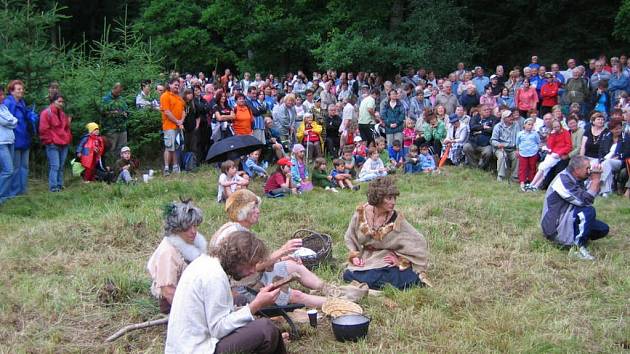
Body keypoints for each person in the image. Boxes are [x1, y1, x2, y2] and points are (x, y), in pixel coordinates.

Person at [165, 230, 287, 354]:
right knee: (266, 330)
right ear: (236, 259)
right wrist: (256, 305)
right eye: (250, 265)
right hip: (197, 349)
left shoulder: (206, 262)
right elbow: (218, 329)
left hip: (183, 345)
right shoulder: (214, 276)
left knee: (241, 301)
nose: (253, 271)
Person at [210, 189, 328, 308]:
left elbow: (254, 264)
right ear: (242, 212)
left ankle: (330, 290)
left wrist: (284, 257)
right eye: (253, 208)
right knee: (297, 295)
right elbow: (251, 269)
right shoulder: (234, 236)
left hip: (253, 277)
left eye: (257, 207)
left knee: (294, 265)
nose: (258, 211)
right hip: (242, 288)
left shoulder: (235, 228)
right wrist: (283, 250)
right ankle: (337, 304)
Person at [343, 177, 430, 289]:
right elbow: (350, 236)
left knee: (406, 279)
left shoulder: (396, 220)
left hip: (385, 259)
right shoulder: (361, 213)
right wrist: (354, 256)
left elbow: (418, 241)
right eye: (389, 198)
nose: (393, 202)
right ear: (378, 198)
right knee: (349, 275)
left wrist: (401, 260)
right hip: (367, 258)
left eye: (394, 198)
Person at [541, 156, 609, 261]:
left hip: (568, 216)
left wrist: (594, 180)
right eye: (587, 168)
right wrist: (595, 180)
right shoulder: (563, 180)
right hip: (555, 226)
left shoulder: (578, 178)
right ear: (577, 170)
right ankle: (576, 248)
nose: (590, 171)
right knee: (589, 211)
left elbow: (590, 194)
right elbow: (585, 201)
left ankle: (576, 238)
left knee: (602, 229)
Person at [147, 199, 207, 314]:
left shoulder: (192, 242)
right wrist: (191, 313)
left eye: (195, 226)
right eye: (187, 228)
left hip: (191, 293)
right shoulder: (168, 253)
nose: (193, 231)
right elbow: (168, 291)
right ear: (176, 228)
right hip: (174, 303)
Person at [4, 80, 36, 197]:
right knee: (15, 168)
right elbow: (7, 121)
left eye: (22, 89)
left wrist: (30, 116)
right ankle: (14, 192)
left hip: (25, 138)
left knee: (25, 166)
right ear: (12, 91)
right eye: (18, 89)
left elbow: (25, 117)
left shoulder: (22, 102)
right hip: (15, 140)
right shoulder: (8, 103)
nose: (21, 91)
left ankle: (22, 191)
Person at [39, 94, 72, 192]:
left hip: (64, 143)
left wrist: (68, 138)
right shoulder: (46, 113)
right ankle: (53, 187)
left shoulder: (62, 114)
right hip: (53, 144)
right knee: (55, 166)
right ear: (53, 102)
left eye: (62, 102)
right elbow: (43, 129)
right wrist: (50, 141)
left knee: (61, 166)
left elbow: (66, 128)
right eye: (59, 101)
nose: (61, 104)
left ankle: (60, 185)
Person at [529, 119, 572, 191]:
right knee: (545, 169)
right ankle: (535, 186)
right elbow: (549, 145)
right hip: (551, 153)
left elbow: (568, 146)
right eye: (555, 127)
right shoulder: (553, 134)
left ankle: (531, 184)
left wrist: (559, 153)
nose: (557, 128)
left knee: (542, 167)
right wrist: (552, 135)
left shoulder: (565, 132)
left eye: (558, 126)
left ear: (560, 125)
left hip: (558, 155)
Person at [160, 78, 185, 176]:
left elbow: (183, 111)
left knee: (176, 147)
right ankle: (166, 168)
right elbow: (167, 112)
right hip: (169, 126)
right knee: (169, 147)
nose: (177, 86)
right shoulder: (165, 96)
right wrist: (177, 121)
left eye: (178, 85)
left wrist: (181, 121)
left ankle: (175, 167)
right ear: (169, 85)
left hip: (178, 126)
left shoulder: (179, 97)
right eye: (175, 84)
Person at [101, 83, 129, 159]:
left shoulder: (121, 99)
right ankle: (110, 167)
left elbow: (126, 109)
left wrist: (125, 113)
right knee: (111, 149)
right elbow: (102, 112)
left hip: (122, 128)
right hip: (111, 128)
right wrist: (112, 113)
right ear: (114, 89)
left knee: (123, 149)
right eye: (118, 91)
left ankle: (121, 166)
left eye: (120, 92)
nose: (119, 93)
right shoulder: (105, 99)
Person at [491, 110, 520, 182]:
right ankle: (500, 176)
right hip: (500, 148)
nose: (511, 118)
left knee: (517, 156)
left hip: (512, 148)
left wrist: (517, 149)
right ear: (504, 118)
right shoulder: (498, 126)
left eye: (511, 116)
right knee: (502, 156)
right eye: (509, 117)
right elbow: (493, 140)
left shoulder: (516, 125)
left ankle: (514, 176)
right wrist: (498, 144)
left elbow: (519, 138)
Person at [0, 85, 17, 204]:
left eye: (2, 94)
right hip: (1, 143)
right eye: (0, 95)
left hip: (10, 141)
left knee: (7, 170)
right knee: (8, 170)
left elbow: (14, 121)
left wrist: (10, 122)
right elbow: (5, 122)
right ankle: (1, 196)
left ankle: (4, 198)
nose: (2, 97)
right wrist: (10, 122)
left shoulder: (4, 107)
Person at [599, 120, 624, 197]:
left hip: (620, 161)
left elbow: (627, 152)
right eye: (616, 129)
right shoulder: (606, 137)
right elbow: (600, 151)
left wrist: (619, 156)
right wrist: (600, 160)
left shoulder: (625, 138)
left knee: (607, 163)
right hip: (606, 161)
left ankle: (600, 181)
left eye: (620, 128)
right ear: (611, 130)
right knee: (605, 164)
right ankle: (606, 192)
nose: (618, 130)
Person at [516, 118, 540, 192]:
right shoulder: (520, 134)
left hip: (532, 152)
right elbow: (518, 142)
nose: (530, 126)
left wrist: (536, 149)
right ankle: (522, 181)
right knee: (523, 167)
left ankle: (531, 181)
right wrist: (517, 150)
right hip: (523, 152)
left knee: (532, 167)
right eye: (528, 124)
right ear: (524, 125)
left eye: (531, 125)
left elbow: (538, 142)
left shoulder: (535, 134)